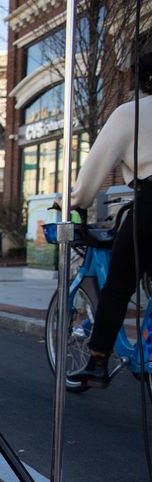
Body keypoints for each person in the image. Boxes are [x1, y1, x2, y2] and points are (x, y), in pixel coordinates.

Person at [67, 50, 151, 389]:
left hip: (149, 205)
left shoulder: (130, 113)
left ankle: (98, 360)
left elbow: (92, 173)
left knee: (118, 286)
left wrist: (78, 203)